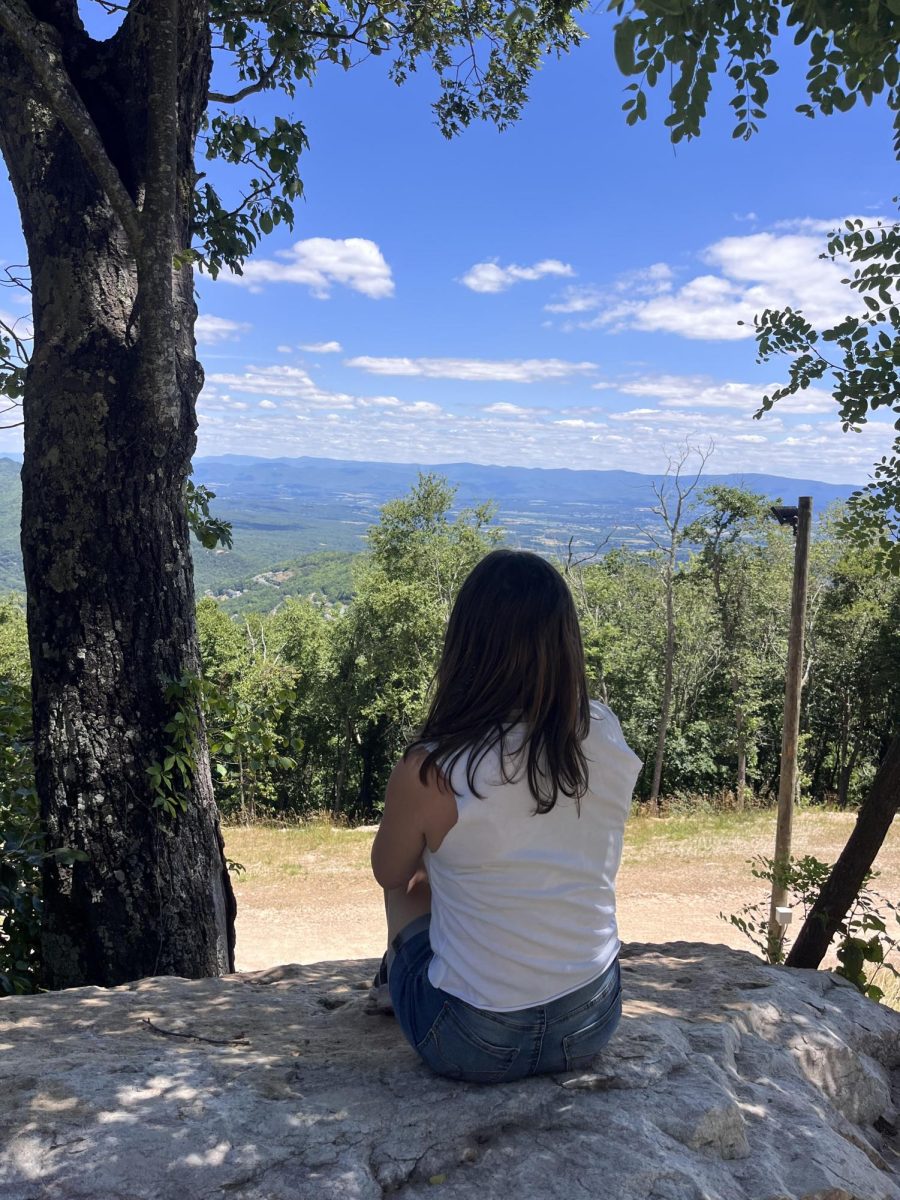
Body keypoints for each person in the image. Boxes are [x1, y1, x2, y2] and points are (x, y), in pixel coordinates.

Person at [369, 548, 642, 1083]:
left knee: (412, 875)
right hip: (591, 1020)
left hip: (469, 1040)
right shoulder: (603, 734)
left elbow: (388, 873)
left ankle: (396, 988)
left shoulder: (433, 768)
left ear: (466, 647)